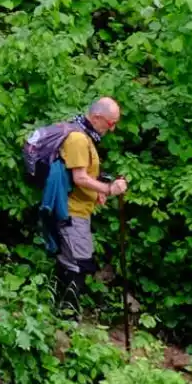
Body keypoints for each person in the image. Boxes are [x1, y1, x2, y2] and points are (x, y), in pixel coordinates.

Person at [55, 96, 129, 313]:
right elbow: (79, 178)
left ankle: (60, 312)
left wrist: (97, 190)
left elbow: (83, 174)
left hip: (78, 209)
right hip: (71, 211)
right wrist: (108, 189)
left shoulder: (84, 135)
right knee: (78, 264)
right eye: (111, 123)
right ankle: (67, 318)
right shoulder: (78, 138)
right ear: (97, 117)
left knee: (71, 262)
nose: (112, 129)